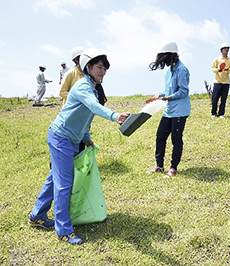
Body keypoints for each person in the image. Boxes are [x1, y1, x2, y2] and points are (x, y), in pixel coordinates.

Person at [28, 49, 130, 245]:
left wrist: (87, 138)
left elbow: (83, 116)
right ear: (88, 67)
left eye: (105, 69)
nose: (103, 72)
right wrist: (114, 115)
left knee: (54, 179)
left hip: (72, 139)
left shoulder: (91, 87)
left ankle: (37, 216)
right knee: (64, 184)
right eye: (100, 67)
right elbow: (93, 106)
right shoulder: (83, 86)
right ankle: (64, 230)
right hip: (61, 138)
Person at [146, 41, 191, 178]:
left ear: (172, 55)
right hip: (169, 110)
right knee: (160, 136)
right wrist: (161, 94)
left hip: (180, 110)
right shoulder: (169, 70)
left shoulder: (182, 70)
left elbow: (183, 91)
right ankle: (159, 166)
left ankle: (173, 168)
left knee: (176, 139)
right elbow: (170, 90)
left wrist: (168, 97)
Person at [211, 42, 230, 118]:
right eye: (225, 48)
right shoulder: (217, 59)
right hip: (217, 81)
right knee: (215, 98)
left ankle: (221, 113)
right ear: (221, 50)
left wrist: (227, 70)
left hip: (226, 82)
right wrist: (218, 70)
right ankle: (213, 113)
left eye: (227, 48)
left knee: (223, 99)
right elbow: (212, 68)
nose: (226, 50)